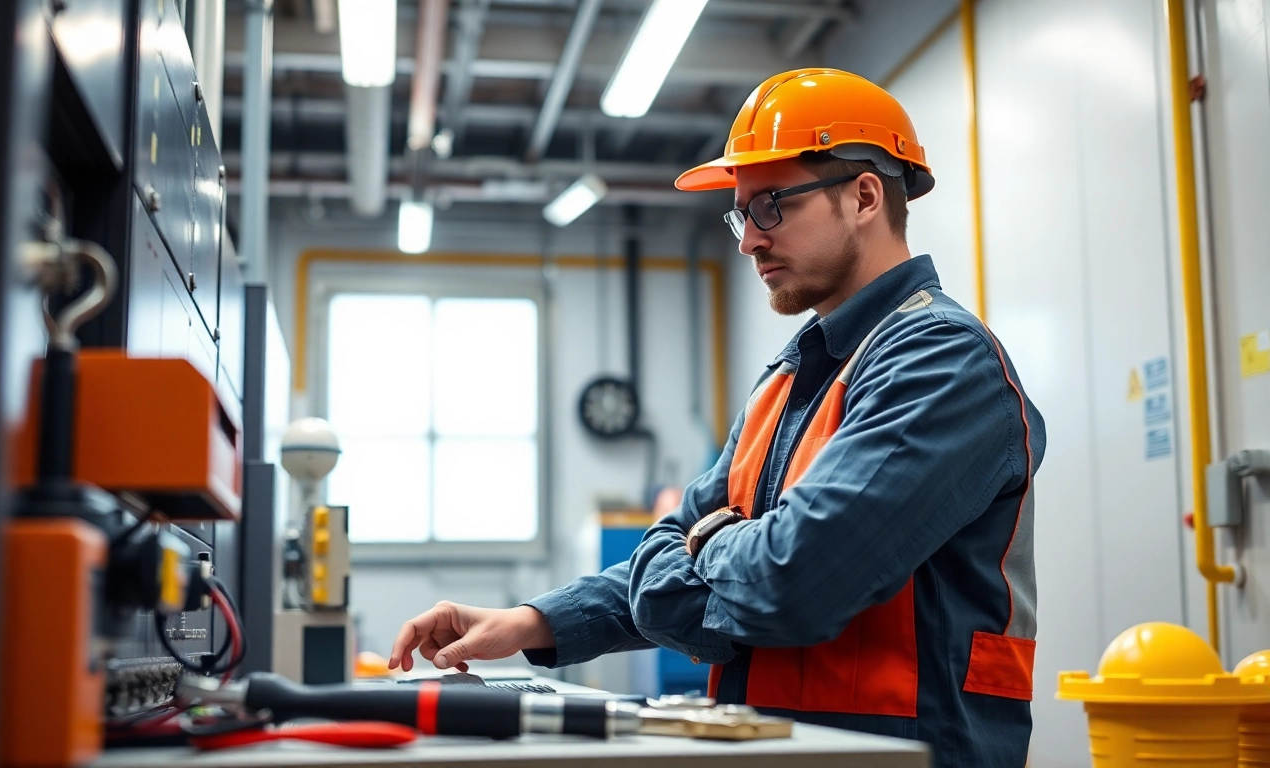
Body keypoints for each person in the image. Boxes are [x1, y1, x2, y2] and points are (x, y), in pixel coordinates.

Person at [389, 68, 1046, 767]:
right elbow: (664, 551)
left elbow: (792, 584)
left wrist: (707, 545)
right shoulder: (793, 376)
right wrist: (530, 623)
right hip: (782, 748)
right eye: (741, 214)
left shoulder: (942, 363)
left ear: (863, 197)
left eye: (771, 206)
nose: (748, 241)